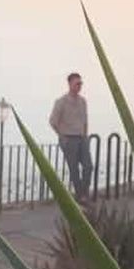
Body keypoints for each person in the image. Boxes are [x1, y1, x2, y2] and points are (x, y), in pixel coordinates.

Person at [49, 72, 92, 202]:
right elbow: (53, 121)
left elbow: (85, 120)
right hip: (68, 138)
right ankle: (80, 196)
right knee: (74, 168)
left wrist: (85, 135)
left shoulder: (83, 102)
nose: (79, 86)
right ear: (70, 84)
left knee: (88, 166)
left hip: (81, 137)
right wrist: (62, 136)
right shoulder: (61, 102)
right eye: (77, 83)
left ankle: (84, 193)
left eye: (80, 84)